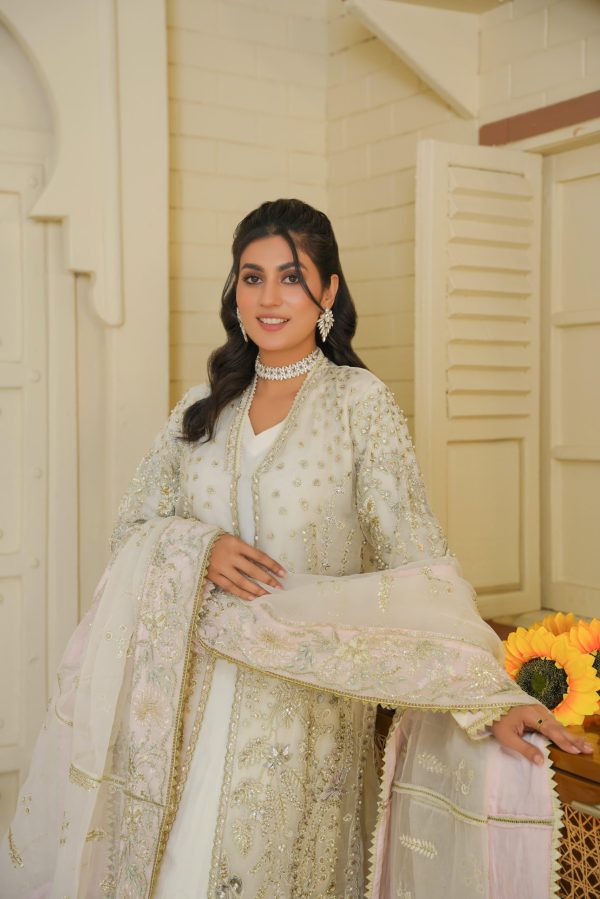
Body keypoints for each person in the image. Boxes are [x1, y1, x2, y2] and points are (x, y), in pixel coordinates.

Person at [1, 198, 591, 899]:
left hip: (301, 722)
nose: (269, 297)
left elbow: (419, 564)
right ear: (235, 291)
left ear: (329, 290)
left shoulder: (358, 404)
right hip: (182, 717)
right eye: (252, 278)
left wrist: (491, 697)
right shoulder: (201, 409)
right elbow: (131, 530)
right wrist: (198, 546)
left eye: (291, 276)